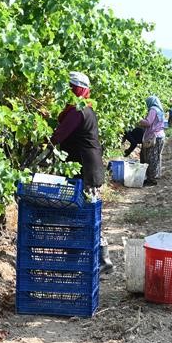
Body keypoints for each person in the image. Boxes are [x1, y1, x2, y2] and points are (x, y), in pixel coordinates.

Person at [51, 72, 113, 273]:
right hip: (87, 169)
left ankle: (100, 260)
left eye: (68, 88)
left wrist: (40, 139)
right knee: (83, 213)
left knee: (84, 213)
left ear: (74, 90)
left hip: (85, 171)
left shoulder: (78, 111)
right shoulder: (85, 109)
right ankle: (81, 258)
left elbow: (58, 136)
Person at [139, 95, 166, 186]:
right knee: (157, 156)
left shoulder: (153, 109)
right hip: (161, 136)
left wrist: (138, 120)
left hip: (154, 137)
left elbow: (148, 122)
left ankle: (151, 179)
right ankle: (155, 176)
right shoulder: (160, 110)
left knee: (150, 157)